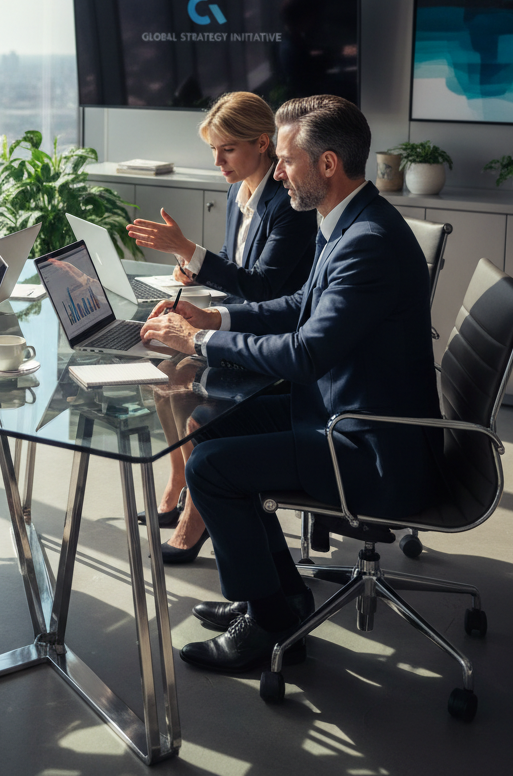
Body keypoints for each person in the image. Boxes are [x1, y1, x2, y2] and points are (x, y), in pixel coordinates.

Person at [140, 95, 441, 673]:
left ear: (326, 165)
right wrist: (216, 320)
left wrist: (195, 343)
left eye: (285, 160)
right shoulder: (351, 219)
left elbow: (306, 353)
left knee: (210, 468)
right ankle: (282, 596)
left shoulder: (367, 241)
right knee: (209, 422)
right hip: (341, 413)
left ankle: (271, 623)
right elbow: (303, 304)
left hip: (370, 444)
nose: (276, 172)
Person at [126, 92, 316, 564]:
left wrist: (190, 250)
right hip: (244, 317)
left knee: (181, 376)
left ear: (262, 142)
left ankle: (194, 517)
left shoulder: (289, 203)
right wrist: (195, 270)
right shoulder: (239, 192)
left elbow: (265, 284)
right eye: (214, 149)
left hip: (270, 336)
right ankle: (178, 485)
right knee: (162, 370)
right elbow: (239, 265)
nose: (217, 161)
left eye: (227, 149)